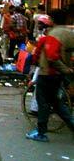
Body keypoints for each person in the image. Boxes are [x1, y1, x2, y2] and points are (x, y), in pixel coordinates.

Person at [26, 9, 74, 142]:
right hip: (59, 75)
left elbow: (51, 57)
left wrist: (65, 69)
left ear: (52, 20)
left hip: (48, 73)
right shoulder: (69, 34)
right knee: (56, 103)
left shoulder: (54, 34)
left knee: (43, 102)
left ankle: (41, 132)